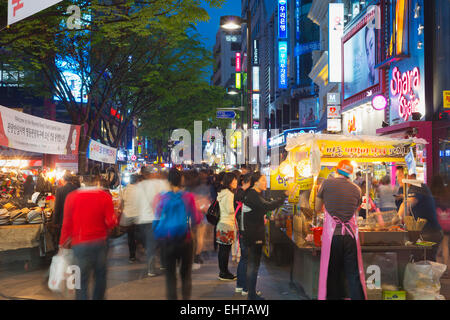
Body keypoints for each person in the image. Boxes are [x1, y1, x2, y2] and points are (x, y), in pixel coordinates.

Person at [59, 175, 118, 300]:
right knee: (100, 275)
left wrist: (62, 243)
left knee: (81, 278)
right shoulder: (105, 196)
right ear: (96, 183)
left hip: (79, 243)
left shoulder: (72, 197)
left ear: (82, 183)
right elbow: (111, 222)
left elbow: (67, 223)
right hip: (100, 242)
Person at [315, 160, 367, 300]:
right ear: (350, 173)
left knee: (333, 273)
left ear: (337, 170)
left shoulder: (326, 183)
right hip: (350, 237)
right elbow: (355, 210)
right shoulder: (357, 189)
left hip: (333, 236)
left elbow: (316, 207)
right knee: (353, 273)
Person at [154, 168, 202, 300]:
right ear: (181, 180)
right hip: (185, 239)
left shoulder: (161, 197)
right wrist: (188, 225)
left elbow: (157, 219)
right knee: (185, 274)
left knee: (170, 276)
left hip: (167, 240)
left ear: (168, 181)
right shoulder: (188, 197)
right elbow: (193, 218)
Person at [242, 172, 286, 300]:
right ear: (255, 182)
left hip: (253, 233)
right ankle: (251, 295)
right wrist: (284, 195)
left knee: (254, 264)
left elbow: (264, 206)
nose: (265, 182)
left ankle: (252, 293)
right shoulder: (252, 194)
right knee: (253, 265)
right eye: (263, 180)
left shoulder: (254, 194)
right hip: (253, 235)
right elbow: (268, 205)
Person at [396, 174, 443, 261]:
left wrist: (396, 220)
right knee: (421, 260)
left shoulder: (417, 186)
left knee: (425, 261)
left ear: (408, 176)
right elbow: (408, 211)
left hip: (429, 233)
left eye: (399, 176)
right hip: (425, 233)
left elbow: (407, 204)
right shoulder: (412, 188)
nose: (398, 179)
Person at [136, 166, 170, 276]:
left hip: (145, 218)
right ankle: (163, 263)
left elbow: (136, 202)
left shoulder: (140, 185)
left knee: (150, 243)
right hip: (159, 218)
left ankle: (152, 268)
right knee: (163, 241)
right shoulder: (162, 183)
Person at [216, 172, 238, 281]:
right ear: (229, 182)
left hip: (221, 223)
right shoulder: (229, 194)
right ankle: (224, 273)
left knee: (222, 250)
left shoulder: (222, 192)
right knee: (225, 250)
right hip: (227, 224)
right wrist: (238, 207)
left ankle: (223, 271)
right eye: (234, 180)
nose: (236, 182)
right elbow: (230, 210)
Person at [234, 173, 253, 296]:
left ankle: (240, 286)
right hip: (247, 230)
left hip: (241, 230)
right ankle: (246, 288)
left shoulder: (238, 193)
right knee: (247, 260)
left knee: (243, 259)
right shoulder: (245, 195)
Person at [431, 176, 450, 277]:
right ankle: (446, 267)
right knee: (445, 245)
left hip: (438, 224)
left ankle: (440, 269)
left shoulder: (432, 193)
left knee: (439, 246)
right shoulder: (445, 192)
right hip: (447, 223)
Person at [52, 173, 78, 245]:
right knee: (73, 240)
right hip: (75, 218)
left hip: (63, 219)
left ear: (63, 180)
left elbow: (57, 207)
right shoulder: (77, 189)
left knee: (64, 240)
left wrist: (55, 221)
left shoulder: (60, 190)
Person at [121, 174, 140, 263]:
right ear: (137, 181)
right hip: (137, 216)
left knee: (130, 236)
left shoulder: (125, 189)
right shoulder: (139, 190)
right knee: (136, 235)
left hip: (127, 216)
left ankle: (132, 256)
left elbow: (122, 203)